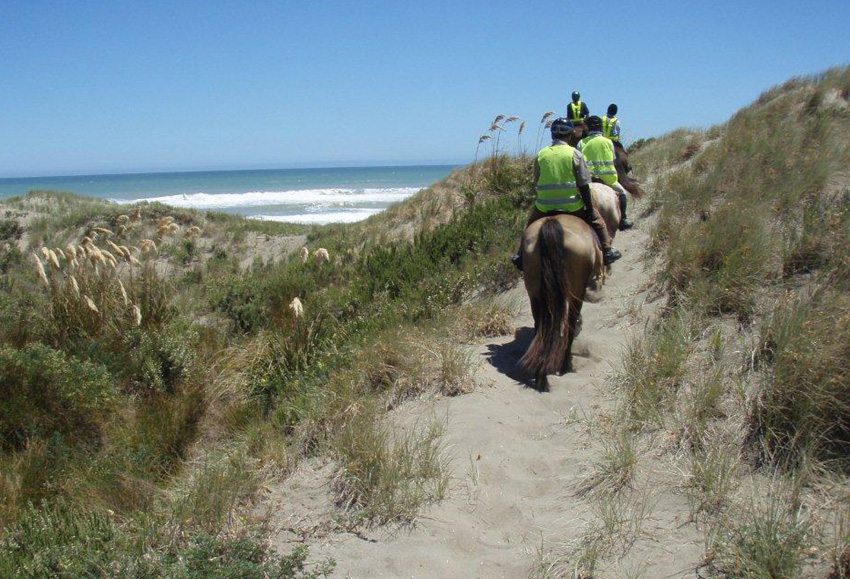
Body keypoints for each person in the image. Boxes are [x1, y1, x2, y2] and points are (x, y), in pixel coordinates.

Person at [512, 118, 622, 270]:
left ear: (552, 135)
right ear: (570, 135)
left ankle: (520, 255)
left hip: (544, 207)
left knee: (530, 226)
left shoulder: (541, 155)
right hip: (572, 206)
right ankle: (608, 251)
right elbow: (584, 184)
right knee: (598, 222)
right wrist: (589, 209)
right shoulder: (575, 154)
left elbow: (537, 181)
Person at [577, 115, 633, 230]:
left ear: (588, 128)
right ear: (600, 128)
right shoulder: (608, 142)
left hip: (589, 180)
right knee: (622, 193)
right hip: (608, 180)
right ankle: (623, 220)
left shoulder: (581, 143)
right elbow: (612, 159)